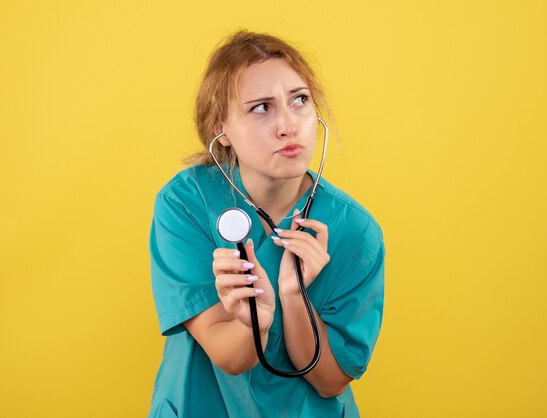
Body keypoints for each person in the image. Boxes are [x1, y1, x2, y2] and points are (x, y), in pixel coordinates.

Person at [148, 30, 385, 418]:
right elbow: (228, 356)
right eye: (261, 107)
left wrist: (293, 298)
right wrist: (251, 324)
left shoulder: (356, 233)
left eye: (300, 100)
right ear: (220, 130)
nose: (288, 125)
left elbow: (330, 380)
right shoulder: (185, 204)